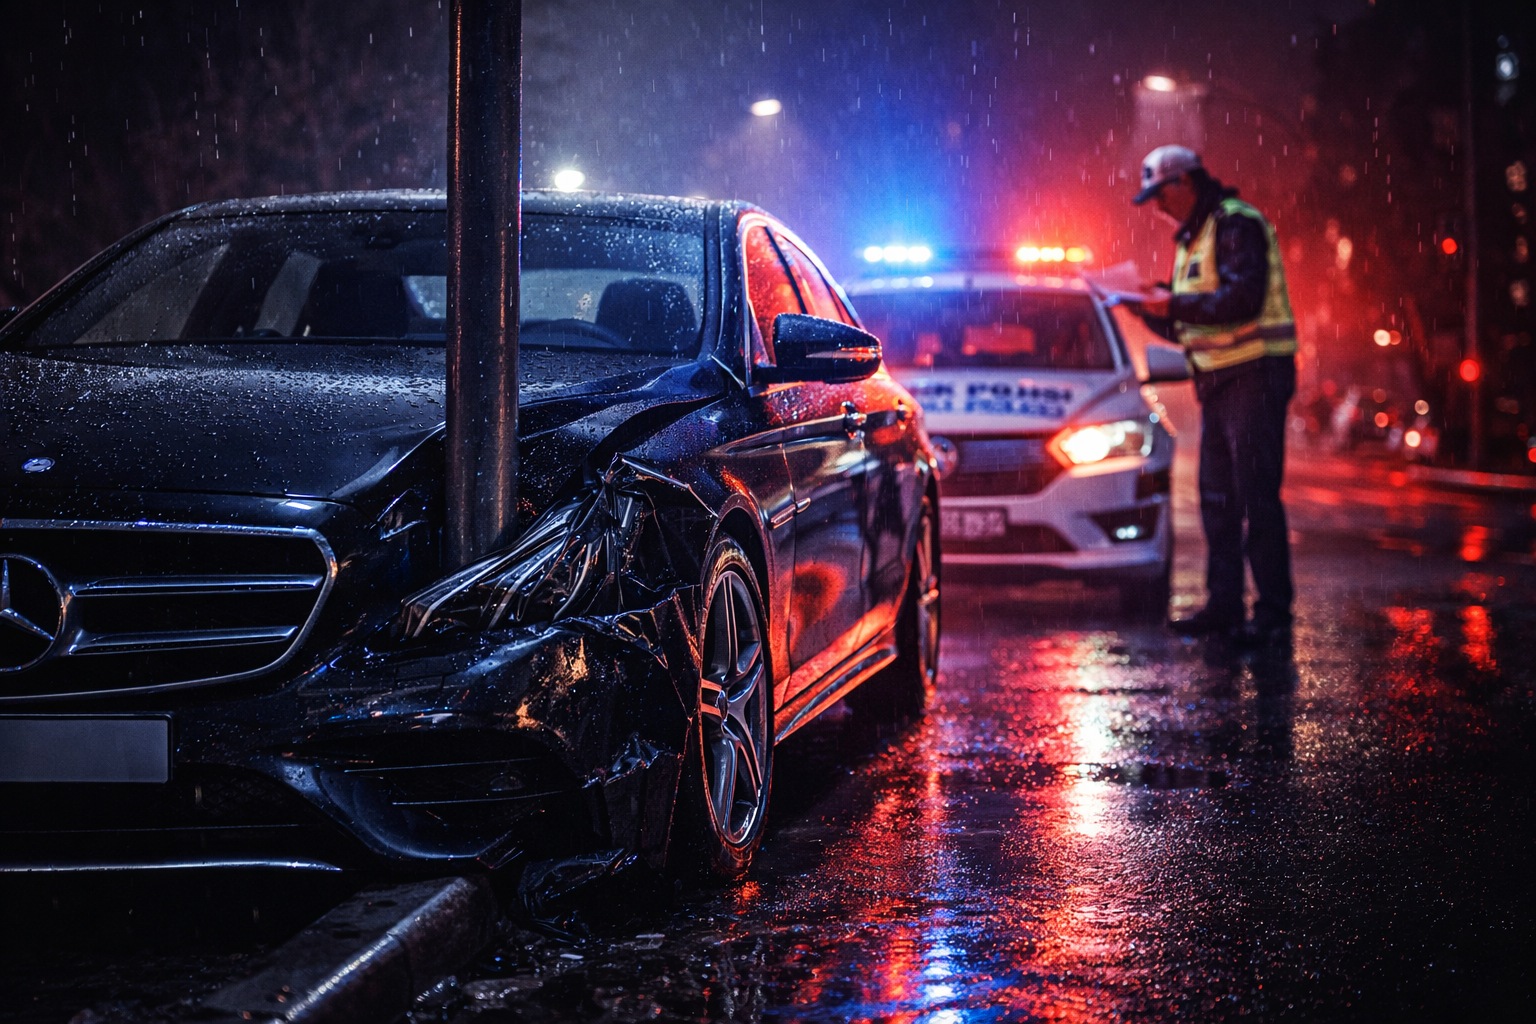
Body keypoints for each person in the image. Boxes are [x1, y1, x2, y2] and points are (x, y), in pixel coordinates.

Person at [1127, 145, 1297, 642]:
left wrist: (1171, 302)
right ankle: (1224, 607)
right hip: (1221, 383)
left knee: (1255, 496)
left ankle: (1271, 614)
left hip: (1255, 379)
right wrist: (1148, 308)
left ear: (1182, 183)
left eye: (1159, 196)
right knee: (1218, 499)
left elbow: (1240, 301)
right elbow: (1193, 327)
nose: (1157, 208)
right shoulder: (1196, 236)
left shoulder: (1234, 225)